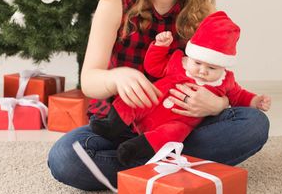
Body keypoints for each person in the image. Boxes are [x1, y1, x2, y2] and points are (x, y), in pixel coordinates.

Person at [47, 0, 270, 191]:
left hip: (177, 126)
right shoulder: (115, 0)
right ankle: (170, 168)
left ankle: (142, 169)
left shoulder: (200, 9)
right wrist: (117, 77)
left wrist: (218, 104)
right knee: (65, 156)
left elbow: (217, 78)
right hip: (122, 126)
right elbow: (89, 81)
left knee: (254, 124)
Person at [90, 11, 272, 166]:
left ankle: (139, 151)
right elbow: (153, 67)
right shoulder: (178, 61)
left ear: (223, 67)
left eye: (212, 68)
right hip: (152, 102)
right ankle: (112, 127)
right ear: (190, 54)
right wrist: (160, 47)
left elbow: (238, 95)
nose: (203, 71)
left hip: (180, 123)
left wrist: (254, 101)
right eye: (198, 63)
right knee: (132, 100)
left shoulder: (225, 81)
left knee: (174, 133)